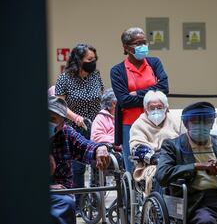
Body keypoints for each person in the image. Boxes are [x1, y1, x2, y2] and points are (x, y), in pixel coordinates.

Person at [156, 102, 217, 224]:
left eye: (206, 121)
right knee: (206, 222)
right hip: (199, 201)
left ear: (212, 123)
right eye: (196, 122)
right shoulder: (172, 145)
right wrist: (198, 166)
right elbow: (162, 175)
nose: (202, 126)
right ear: (187, 124)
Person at [110, 27, 169, 173]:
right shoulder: (117, 71)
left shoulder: (154, 63)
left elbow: (164, 87)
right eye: (138, 43)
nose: (143, 46)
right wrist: (153, 95)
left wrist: (137, 94)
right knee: (134, 167)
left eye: (144, 42)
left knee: (160, 164)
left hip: (158, 122)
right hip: (130, 125)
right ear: (126, 47)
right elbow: (124, 100)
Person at [55, 43, 104, 210]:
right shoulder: (64, 78)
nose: (93, 62)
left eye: (94, 59)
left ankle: (97, 203)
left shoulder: (95, 76)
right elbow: (59, 104)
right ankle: (77, 204)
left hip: (95, 125)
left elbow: (101, 97)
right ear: (78, 60)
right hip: (74, 126)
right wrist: (75, 117)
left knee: (97, 163)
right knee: (78, 169)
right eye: (89, 59)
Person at [48, 96, 109, 224]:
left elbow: (85, 145)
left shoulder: (66, 133)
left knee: (67, 203)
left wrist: (100, 148)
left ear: (62, 123)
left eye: (53, 119)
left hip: (62, 192)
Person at [129, 90, 181, 195]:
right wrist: (157, 159)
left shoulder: (176, 121)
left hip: (176, 159)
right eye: (151, 108)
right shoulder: (139, 124)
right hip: (151, 164)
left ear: (166, 108)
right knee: (160, 175)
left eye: (160, 107)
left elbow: (185, 140)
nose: (156, 111)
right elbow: (136, 147)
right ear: (145, 110)